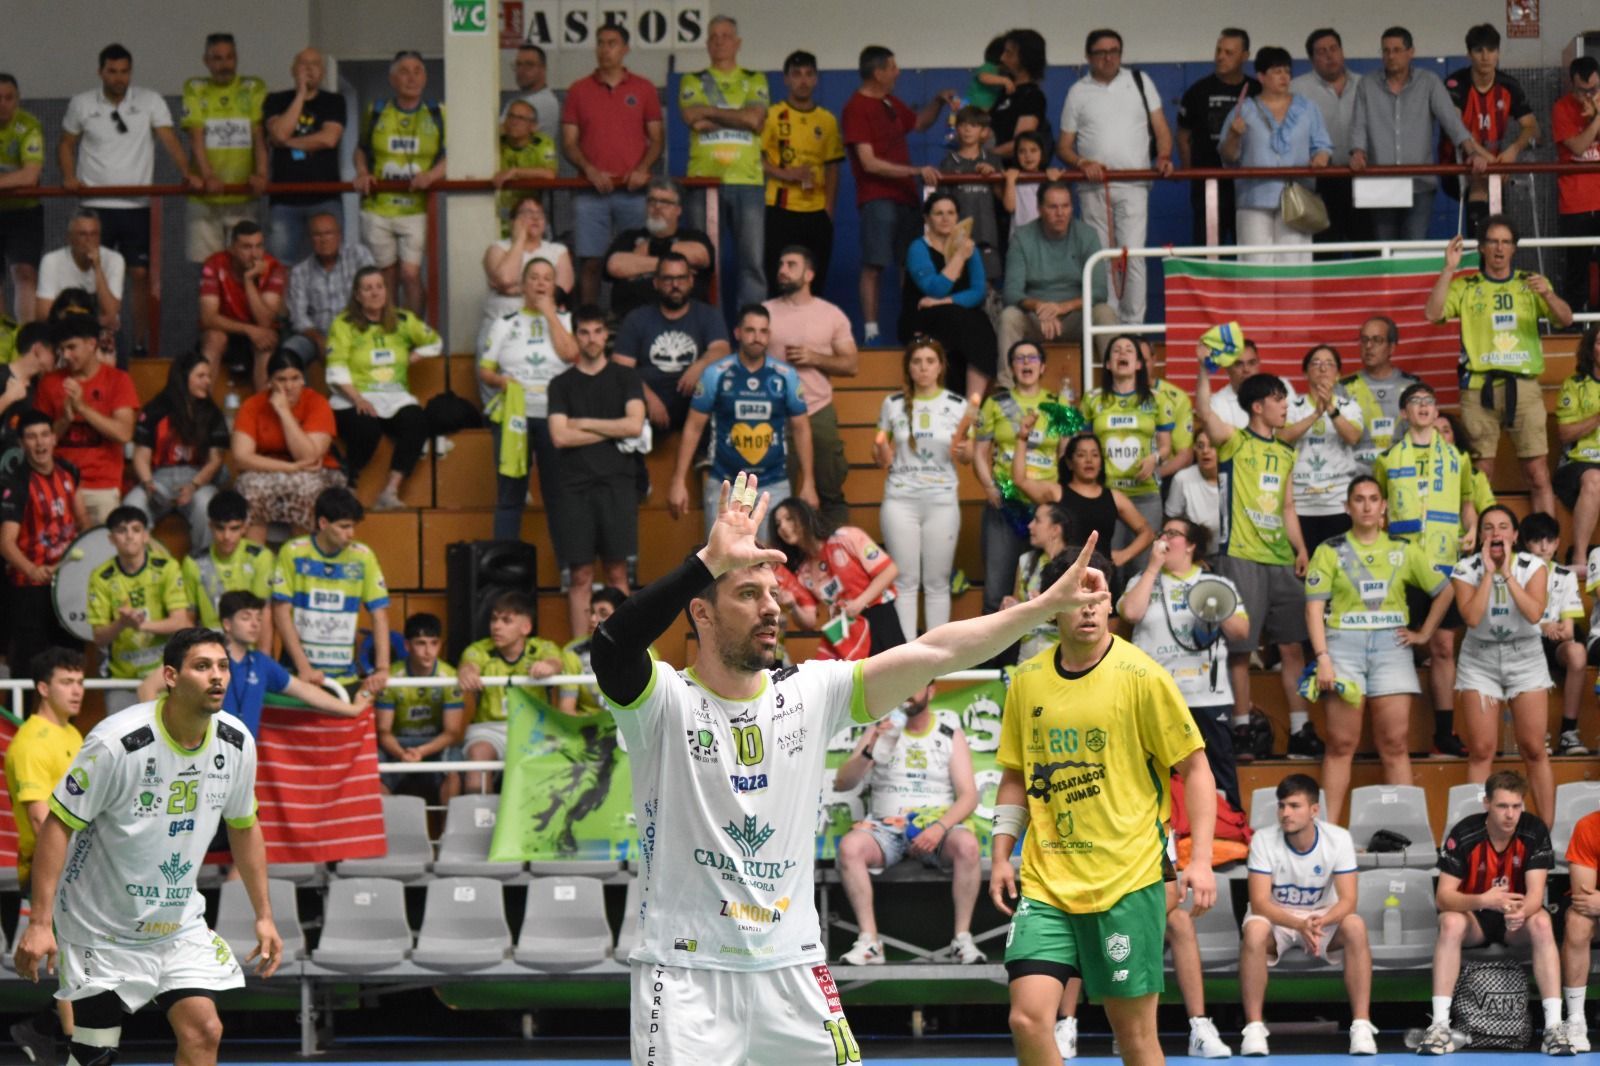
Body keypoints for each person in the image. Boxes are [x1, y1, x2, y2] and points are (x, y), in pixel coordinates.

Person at [587, 473, 1112, 1066]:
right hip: (685, 978)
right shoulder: (662, 703)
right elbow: (611, 645)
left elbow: (938, 651)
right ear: (701, 614)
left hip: (795, 971)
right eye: (746, 595)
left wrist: (1043, 608)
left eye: (772, 593)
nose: (771, 608)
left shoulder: (813, 690)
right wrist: (706, 559)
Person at [990, 543, 1217, 1066]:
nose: (1089, 606)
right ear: (1052, 605)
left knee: (1134, 1037)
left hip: (1127, 879)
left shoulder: (1143, 677)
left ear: (1110, 602)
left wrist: (1199, 858)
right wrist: (1002, 853)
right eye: (1077, 595)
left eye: (1098, 595)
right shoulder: (1026, 683)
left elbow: (1197, 770)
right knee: (1026, 1019)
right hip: (1047, 878)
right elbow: (1015, 776)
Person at [12, 628, 282, 1066]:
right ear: (171, 676)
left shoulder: (236, 742)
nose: (217, 676)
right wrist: (41, 922)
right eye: (202, 666)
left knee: (205, 1030)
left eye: (222, 666)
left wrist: (264, 915)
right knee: (95, 1056)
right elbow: (57, 825)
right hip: (99, 922)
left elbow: (244, 826)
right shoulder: (117, 741)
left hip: (175, 922)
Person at [1304, 477, 1454, 822]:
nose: (1367, 506)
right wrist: (1323, 658)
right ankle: (1326, 834)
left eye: (1374, 499)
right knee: (1340, 745)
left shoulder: (1403, 548)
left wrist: (1423, 634)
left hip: (1392, 646)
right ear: (1347, 507)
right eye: (1359, 499)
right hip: (1342, 647)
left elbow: (1444, 591)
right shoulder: (1329, 550)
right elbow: (1313, 609)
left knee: (1396, 746)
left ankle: (1404, 833)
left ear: (1384, 506)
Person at [1196, 363, 1319, 760]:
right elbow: (1204, 412)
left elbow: (1287, 506)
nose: (1284, 406)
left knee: (1292, 648)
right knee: (1240, 650)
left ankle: (1301, 730)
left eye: (1285, 399)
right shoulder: (1233, 442)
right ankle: (1242, 727)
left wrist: (1300, 548)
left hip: (1282, 558)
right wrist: (1202, 370)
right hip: (1241, 556)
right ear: (1256, 406)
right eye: (1278, 399)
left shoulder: (1285, 451)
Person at [834, 682, 985, 966]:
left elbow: (969, 797)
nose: (908, 690)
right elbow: (843, 783)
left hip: (934, 826)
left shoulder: (948, 733)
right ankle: (870, 941)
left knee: (967, 845)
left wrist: (939, 828)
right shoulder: (880, 727)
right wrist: (870, 748)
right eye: (904, 681)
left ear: (931, 691)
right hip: (885, 827)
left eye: (917, 684)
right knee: (850, 847)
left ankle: (962, 939)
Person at [1427, 220, 1572, 519]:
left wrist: (1547, 294)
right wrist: (1448, 269)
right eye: (1492, 241)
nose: (1499, 248)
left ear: (1514, 248)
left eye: (1506, 242)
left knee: (1538, 473)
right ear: (1481, 247)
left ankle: (1546, 547)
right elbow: (1433, 313)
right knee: (1481, 474)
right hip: (1479, 387)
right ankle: (1480, 545)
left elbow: (1565, 319)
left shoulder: (1531, 283)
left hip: (1524, 385)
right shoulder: (1466, 286)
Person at [60, 44, 197, 355]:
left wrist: (188, 172)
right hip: (95, 208)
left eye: (124, 72)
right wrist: (69, 176)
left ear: (130, 72)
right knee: (93, 274)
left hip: (138, 207)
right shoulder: (81, 103)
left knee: (140, 274)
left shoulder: (150, 101)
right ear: (100, 72)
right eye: (112, 71)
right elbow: (66, 144)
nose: (119, 78)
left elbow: (169, 139)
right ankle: (92, 341)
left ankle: (137, 344)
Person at [1419, 771, 1569, 1055]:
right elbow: (1444, 898)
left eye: (1516, 806)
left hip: (1516, 920)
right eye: (1502, 806)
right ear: (1487, 803)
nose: (1510, 814)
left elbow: (1536, 895)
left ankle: (1553, 1028)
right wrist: (1483, 900)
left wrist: (1521, 912)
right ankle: (1439, 1026)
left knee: (1542, 922)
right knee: (1449, 922)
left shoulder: (1534, 830)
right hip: (1475, 917)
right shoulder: (1465, 832)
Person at [1238, 774, 1376, 1056]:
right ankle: (1253, 1028)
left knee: (1355, 925)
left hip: (1321, 920)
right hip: (1279, 920)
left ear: (1314, 810)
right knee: (1253, 930)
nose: (1285, 813)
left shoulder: (1338, 838)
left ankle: (1361, 1026)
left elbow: (1348, 900)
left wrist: (1319, 922)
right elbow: (1260, 902)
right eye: (1281, 806)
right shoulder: (1264, 840)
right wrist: (1299, 924)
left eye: (1294, 806)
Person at [1374, 382, 1475, 758]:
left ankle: (1443, 732)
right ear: (1404, 413)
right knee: (1400, 643)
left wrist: (1474, 529)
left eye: (1430, 402)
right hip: (1402, 565)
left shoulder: (1455, 458)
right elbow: (1379, 513)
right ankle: (1393, 735)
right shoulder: (1388, 459)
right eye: (1415, 402)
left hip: (1444, 560)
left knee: (1444, 646)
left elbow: (1468, 503)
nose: (1424, 407)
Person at [1121, 519, 1247, 810]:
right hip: (1155, 697)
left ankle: (1229, 839)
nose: (1165, 538)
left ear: (1190, 545)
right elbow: (1130, 612)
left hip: (1206, 696)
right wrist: (1152, 568)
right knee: (1151, 771)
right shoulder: (1141, 580)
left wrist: (1216, 608)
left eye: (1174, 534)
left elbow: (1241, 632)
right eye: (1162, 532)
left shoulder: (1215, 583)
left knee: (1218, 773)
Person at [1057, 28, 1175, 325]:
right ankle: (1107, 326)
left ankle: (1133, 329)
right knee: (1101, 258)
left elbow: (1161, 129)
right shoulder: (1077, 91)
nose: (1109, 57)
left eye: (1115, 51)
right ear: (1088, 56)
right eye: (1101, 52)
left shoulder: (1140, 81)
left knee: (1132, 256)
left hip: (1135, 185)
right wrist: (1083, 162)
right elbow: (1064, 147)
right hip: (1093, 189)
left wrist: (1163, 157)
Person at [843, 45, 956, 344]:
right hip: (877, 198)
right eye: (893, 67)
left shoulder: (890, 102)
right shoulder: (856, 108)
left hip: (906, 199)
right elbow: (868, 162)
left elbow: (918, 123)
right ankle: (871, 332)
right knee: (874, 263)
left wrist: (937, 101)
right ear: (878, 73)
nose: (898, 72)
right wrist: (915, 171)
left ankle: (912, 327)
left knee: (913, 264)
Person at [3, 647, 83, 1065]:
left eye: (80, 681)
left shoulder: (72, 735)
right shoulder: (30, 743)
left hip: (83, 871)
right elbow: (40, 821)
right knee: (72, 964)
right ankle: (71, 1047)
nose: (77, 690)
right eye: (67, 682)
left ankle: (41, 1030)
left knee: (85, 962)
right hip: (50, 872)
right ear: (42, 688)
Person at [670, 304, 812, 538]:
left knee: (769, 566)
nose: (757, 338)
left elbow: (802, 429)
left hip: (773, 484)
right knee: (721, 566)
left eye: (763, 331)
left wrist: (808, 482)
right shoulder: (715, 373)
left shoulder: (786, 375)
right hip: (725, 483)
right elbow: (694, 427)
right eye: (750, 330)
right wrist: (677, 480)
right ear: (737, 333)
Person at [547, 304, 645, 640]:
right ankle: (581, 650)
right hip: (574, 488)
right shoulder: (561, 384)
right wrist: (612, 429)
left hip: (618, 484)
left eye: (597, 331)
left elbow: (634, 426)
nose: (591, 339)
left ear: (607, 335)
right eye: (584, 332)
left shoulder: (626, 377)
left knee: (619, 572)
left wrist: (586, 423)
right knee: (580, 575)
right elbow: (560, 435)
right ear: (576, 336)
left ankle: (626, 647)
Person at [1451, 506, 1554, 823]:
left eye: (1503, 527)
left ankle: (1546, 834)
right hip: (1479, 658)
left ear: (1514, 535)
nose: (1496, 533)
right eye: (1488, 527)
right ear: (1480, 535)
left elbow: (1534, 613)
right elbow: (1471, 617)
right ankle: (1474, 835)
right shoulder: (1464, 568)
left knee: (1534, 748)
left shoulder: (1532, 566)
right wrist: (1487, 573)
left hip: (1525, 655)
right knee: (1482, 750)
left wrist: (1506, 572)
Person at [1349, 26, 1490, 242]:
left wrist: (1471, 151)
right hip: (1381, 183)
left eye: (1397, 50)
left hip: (1420, 183)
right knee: (1384, 247)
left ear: (1410, 52)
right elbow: (1358, 124)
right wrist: (1357, 152)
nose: (1391, 56)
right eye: (1385, 51)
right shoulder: (1367, 85)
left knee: (1414, 247)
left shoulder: (1429, 82)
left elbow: (1452, 122)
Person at [324, 265, 443, 511]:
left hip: (394, 395)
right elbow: (335, 367)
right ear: (357, 295)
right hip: (353, 394)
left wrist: (416, 355)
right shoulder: (344, 324)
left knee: (418, 422)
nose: (375, 293)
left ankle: (390, 492)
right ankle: (350, 484)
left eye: (379, 287)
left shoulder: (402, 320)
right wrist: (357, 398)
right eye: (367, 289)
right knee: (367, 426)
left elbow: (435, 341)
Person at [875, 337, 971, 638]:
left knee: (937, 583)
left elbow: (969, 455)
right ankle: (907, 660)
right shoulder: (892, 404)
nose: (923, 368)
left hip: (941, 499)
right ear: (909, 368)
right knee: (903, 581)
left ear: (940, 366)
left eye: (930, 361)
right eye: (917, 362)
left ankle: (936, 658)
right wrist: (880, 453)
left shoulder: (957, 405)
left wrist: (965, 451)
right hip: (900, 499)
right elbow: (878, 453)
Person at [562, 24, 664, 308]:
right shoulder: (578, 90)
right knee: (590, 262)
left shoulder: (644, 88)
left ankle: (633, 324)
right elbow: (569, 142)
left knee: (637, 259)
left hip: (633, 191)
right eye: (600, 43)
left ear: (625, 49)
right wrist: (590, 169)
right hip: (590, 190)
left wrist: (643, 169)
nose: (605, 49)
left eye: (612, 43)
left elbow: (657, 139)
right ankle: (589, 327)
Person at [479, 257, 578, 542]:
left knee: (558, 494)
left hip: (555, 416)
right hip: (515, 414)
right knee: (510, 492)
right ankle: (504, 570)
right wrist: (502, 381)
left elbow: (572, 355)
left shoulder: (567, 321)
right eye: (534, 277)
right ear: (523, 285)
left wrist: (550, 315)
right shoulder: (504, 323)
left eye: (547, 278)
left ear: (554, 286)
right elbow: (485, 370)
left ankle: (567, 572)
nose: (540, 283)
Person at [678, 15, 768, 308]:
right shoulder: (692, 80)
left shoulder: (755, 79)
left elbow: (755, 119)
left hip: (748, 182)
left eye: (726, 35)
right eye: (713, 36)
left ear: (738, 43)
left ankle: (751, 329)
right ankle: (705, 330)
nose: (719, 41)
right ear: (706, 44)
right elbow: (693, 118)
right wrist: (738, 117)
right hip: (704, 182)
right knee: (700, 261)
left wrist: (710, 112)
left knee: (751, 263)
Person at [185, 589, 369, 731]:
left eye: (258, 618)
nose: (255, 624)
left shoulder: (261, 663)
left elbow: (306, 691)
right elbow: (157, 682)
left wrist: (352, 709)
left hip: (244, 760)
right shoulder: (207, 657)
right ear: (227, 624)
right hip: (205, 756)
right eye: (246, 617)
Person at [763, 246, 855, 529]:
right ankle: (783, 569)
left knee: (829, 491)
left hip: (817, 410)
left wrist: (815, 357)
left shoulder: (831, 314)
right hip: (774, 414)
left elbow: (851, 365)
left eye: (791, 264)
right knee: (777, 497)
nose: (782, 270)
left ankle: (834, 561)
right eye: (780, 264)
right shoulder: (764, 313)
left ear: (809, 274)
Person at [1218, 46, 1332, 263]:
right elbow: (1228, 157)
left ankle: (1295, 299)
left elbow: (1322, 144)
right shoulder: (1244, 110)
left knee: (1294, 264)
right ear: (1261, 76)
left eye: (1287, 71)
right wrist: (1233, 134)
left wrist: (1321, 156)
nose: (1284, 77)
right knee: (1255, 263)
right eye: (1277, 71)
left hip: (1298, 198)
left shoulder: (1308, 108)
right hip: (1253, 198)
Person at [457, 590, 577, 796]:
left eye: (506, 621)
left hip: (534, 728)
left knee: (558, 758)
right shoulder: (480, 649)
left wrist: (548, 666)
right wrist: (467, 672)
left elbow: (555, 661)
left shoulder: (542, 647)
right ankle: (478, 822)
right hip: (489, 729)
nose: (497, 626)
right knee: (478, 755)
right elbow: (469, 664)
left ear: (526, 627)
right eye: (494, 619)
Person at [271, 486, 390, 691]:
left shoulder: (363, 556)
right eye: (344, 527)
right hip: (299, 674)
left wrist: (382, 668)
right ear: (323, 523)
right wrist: (304, 667)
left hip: (344, 676)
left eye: (353, 526)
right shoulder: (293, 552)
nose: (351, 533)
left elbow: (379, 614)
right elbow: (280, 612)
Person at [352, 51, 445, 314]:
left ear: (425, 77)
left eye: (417, 71)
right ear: (392, 79)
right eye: (404, 71)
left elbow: (452, 157)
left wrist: (431, 176)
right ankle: (391, 332)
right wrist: (361, 172)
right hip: (377, 208)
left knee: (410, 274)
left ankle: (413, 332)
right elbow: (360, 150)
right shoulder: (377, 110)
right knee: (386, 277)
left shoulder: (438, 113)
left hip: (414, 210)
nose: (411, 77)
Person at [998, 181, 1117, 384]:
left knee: (1104, 312)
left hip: (1075, 316)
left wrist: (1061, 308)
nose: (1060, 213)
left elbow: (1099, 291)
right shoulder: (1022, 237)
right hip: (1037, 318)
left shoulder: (1087, 235)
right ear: (1039, 209)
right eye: (1053, 207)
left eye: (1066, 206)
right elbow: (1011, 292)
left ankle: (1116, 387)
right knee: (1009, 316)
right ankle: (1007, 391)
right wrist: (1040, 307)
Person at [974, 341, 1059, 618]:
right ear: (1011, 367)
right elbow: (979, 453)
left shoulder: (1056, 405)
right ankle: (997, 660)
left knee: (1046, 587)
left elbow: (1066, 452)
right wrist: (989, 485)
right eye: (1019, 358)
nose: (1026, 363)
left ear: (1043, 366)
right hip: (1005, 506)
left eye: (1032, 358)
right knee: (997, 592)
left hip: (1044, 508)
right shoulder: (995, 403)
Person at [0, 411, 85, 672]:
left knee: (70, 660)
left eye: (45, 435)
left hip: (67, 584)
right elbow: (5, 542)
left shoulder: (69, 472)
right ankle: (26, 713)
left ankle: (67, 715)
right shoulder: (16, 483)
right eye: (31, 437)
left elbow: (83, 522)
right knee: (30, 664)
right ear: (22, 444)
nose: (40, 443)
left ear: (54, 438)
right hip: (29, 588)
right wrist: (32, 570)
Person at [88, 505, 191, 718]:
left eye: (136, 529)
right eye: (121, 530)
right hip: (121, 679)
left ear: (146, 536)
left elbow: (181, 622)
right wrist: (121, 624)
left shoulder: (167, 567)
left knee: (167, 741)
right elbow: (99, 637)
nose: (129, 536)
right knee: (123, 745)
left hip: (163, 674)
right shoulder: (101, 577)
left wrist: (141, 624)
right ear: (111, 539)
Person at [34, 314, 137, 527]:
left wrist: (82, 407)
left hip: (102, 486)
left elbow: (124, 433)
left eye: (72, 347)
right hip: (58, 483)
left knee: (101, 552)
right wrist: (64, 419)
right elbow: (39, 442)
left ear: (92, 344)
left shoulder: (118, 380)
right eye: (62, 350)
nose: (66, 355)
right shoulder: (49, 382)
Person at [231, 347, 344, 539]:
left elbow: (308, 457)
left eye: (295, 378)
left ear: (303, 380)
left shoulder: (317, 403)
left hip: (316, 472)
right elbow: (241, 458)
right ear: (269, 383)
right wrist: (289, 467)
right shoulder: (252, 405)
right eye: (281, 379)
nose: (289, 386)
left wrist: (284, 412)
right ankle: (256, 561)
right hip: (269, 470)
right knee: (249, 487)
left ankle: (300, 559)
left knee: (307, 488)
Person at [613, 252, 730, 435]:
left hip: (693, 399)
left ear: (691, 281)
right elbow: (621, 369)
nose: (675, 285)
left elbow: (722, 350)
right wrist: (649, 398)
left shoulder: (708, 315)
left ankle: (704, 460)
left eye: (681, 278)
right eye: (668, 279)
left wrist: (700, 365)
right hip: (648, 400)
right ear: (656, 283)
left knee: (717, 387)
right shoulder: (637, 318)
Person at [773, 497, 904, 660]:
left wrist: (860, 603)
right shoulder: (803, 571)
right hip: (846, 629)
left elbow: (889, 571)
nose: (783, 527)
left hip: (879, 616)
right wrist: (793, 606)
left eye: (789, 518)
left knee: (898, 678)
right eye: (778, 524)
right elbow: (809, 622)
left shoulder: (846, 537)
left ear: (805, 516)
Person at [123, 350, 228, 550]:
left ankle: (201, 565)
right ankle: (142, 568)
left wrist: (194, 486)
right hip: (158, 479)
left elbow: (216, 460)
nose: (207, 381)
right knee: (132, 507)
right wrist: (148, 484)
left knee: (206, 506)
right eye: (200, 376)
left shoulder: (213, 414)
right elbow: (141, 455)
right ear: (183, 377)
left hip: (198, 480)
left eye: (209, 376)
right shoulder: (155, 409)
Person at [1014, 432, 1155, 575]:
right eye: (1081, 455)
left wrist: (1124, 555)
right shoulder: (1056, 493)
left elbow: (1147, 532)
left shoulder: (1115, 498)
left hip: (1102, 578)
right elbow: (1020, 481)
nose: (1089, 460)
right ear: (1069, 463)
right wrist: (1022, 438)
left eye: (1095, 455)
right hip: (1064, 576)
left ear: (1101, 462)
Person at [761, 51, 843, 298]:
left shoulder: (827, 120)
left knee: (814, 281)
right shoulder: (773, 115)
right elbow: (757, 160)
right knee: (779, 279)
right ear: (786, 79)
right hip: (780, 209)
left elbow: (833, 167)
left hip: (816, 213)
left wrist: (828, 209)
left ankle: (811, 337)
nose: (803, 81)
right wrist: (786, 174)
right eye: (797, 74)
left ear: (816, 79)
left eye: (809, 74)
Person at [181, 33, 268, 264]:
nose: (224, 64)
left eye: (229, 58)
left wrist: (261, 173)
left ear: (236, 58)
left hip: (243, 196)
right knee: (208, 269)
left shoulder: (253, 87)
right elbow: (195, 136)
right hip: (205, 199)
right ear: (206, 61)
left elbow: (259, 135)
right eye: (217, 58)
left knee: (247, 266)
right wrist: (208, 175)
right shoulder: (195, 88)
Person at [1078, 333, 1172, 546]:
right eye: (1116, 350)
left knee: (1144, 563)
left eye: (1129, 350)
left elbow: (1166, 446)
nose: (1122, 353)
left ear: (1139, 364)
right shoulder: (1092, 399)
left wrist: (1155, 458)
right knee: (1108, 562)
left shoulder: (1158, 399)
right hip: (1106, 493)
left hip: (1146, 493)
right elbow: (1083, 446)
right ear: (1109, 364)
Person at [1446, 25, 1537, 240]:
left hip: (1497, 164)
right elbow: (1454, 126)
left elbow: (1532, 126)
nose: (1485, 57)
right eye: (1478, 51)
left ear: (1498, 53)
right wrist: (1486, 157)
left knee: (1492, 188)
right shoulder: (1456, 84)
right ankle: (1480, 255)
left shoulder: (1509, 85)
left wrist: (1513, 150)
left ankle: (1496, 250)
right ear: (1469, 54)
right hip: (1459, 163)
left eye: (1491, 50)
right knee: (1479, 175)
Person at [902, 192, 997, 398]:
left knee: (982, 324)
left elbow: (978, 292)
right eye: (939, 213)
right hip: (921, 315)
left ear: (957, 217)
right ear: (927, 219)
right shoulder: (918, 248)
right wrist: (959, 257)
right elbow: (935, 289)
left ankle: (972, 406)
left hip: (958, 312)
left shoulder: (968, 247)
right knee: (959, 319)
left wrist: (944, 302)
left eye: (951, 213)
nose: (945, 218)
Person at [262, 47, 346, 264]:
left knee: (329, 263)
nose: (309, 69)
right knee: (279, 266)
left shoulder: (334, 101)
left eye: (315, 64)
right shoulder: (275, 100)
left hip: (325, 198)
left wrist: (285, 143)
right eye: (303, 63)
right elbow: (279, 131)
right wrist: (300, 94)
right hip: (284, 200)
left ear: (324, 72)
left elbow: (329, 139)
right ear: (292, 70)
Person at [1179, 28, 1260, 248]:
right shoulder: (1198, 91)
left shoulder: (1257, 90)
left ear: (1245, 56)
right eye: (1218, 50)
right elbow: (1184, 136)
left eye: (1229, 52)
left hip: (1248, 187)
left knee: (1251, 251)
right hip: (1209, 187)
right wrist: (1190, 173)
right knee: (1208, 252)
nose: (1220, 57)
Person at [1518, 512, 1588, 758]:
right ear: (1526, 543)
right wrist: (1543, 626)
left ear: (1557, 543)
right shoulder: (1515, 572)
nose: (1543, 546)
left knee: (1578, 652)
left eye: (1548, 540)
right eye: (1537, 540)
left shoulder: (1565, 575)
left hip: (1555, 642)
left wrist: (1556, 629)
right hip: (1523, 641)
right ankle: (1535, 734)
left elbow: (1568, 629)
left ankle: (1568, 733)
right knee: (1529, 649)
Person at [376, 610, 464, 804]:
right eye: (421, 643)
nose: (428, 651)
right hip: (398, 745)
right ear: (407, 646)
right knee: (374, 766)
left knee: (454, 763)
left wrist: (422, 751)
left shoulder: (449, 676)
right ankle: (385, 833)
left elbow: (452, 732)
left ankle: (447, 833)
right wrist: (402, 754)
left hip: (434, 744)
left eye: (434, 643)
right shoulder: (391, 677)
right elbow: (383, 731)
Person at [1281, 345, 1362, 550]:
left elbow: (1353, 437)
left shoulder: (1349, 407)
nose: (1323, 369)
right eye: (1316, 364)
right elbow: (1282, 438)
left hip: (1339, 503)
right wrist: (1315, 414)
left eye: (1329, 364)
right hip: (1301, 504)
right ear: (1305, 372)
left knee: (1339, 569)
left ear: (1338, 374)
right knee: (1304, 571)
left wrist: (1331, 409)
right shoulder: (1292, 407)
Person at [1292, 29, 1363, 253]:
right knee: (1325, 251)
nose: (1329, 56)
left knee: (1366, 248)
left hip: (1361, 177)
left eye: (1334, 49)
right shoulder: (1297, 89)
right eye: (1321, 52)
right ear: (1312, 59)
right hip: (1319, 182)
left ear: (1342, 52)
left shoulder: (1365, 85)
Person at [604, 178, 714, 320]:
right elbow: (615, 265)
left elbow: (700, 256)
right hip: (632, 319)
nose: (657, 207)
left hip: (687, 321)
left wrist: (648, 251)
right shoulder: (629, 237)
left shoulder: (693, 236)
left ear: (678, 210)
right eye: (652, 201)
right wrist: (675, 267)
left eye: (665, 202)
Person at [198, 219, 286, 389]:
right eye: (246, 247)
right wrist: (249, 329)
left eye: (259, 246)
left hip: (260, 335)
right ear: (232, 249)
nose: (254, 254)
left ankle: (264, 411)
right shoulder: (214, 264)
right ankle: (202, 409)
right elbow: (208, 318)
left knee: (266, 341)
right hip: (228, 331)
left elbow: (265, 322)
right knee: (214, 338)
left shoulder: (274, 267)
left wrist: (249, 281)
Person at [480, 196, 574, 354]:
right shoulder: (498, 248)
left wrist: (514, 289)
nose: (536, 217)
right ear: (513, 221)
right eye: (527, 212)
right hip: (501, 323)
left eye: (540, 213)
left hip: (544, 323)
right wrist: (519, 240)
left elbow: (560, 290)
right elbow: (505, 278)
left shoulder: (558, 250)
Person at [181, 490, 274, 647]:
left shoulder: (260, 557)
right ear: (210, 526)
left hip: (248, 652)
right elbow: (188, 618)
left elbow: (264, 613)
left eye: (234, 528)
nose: (226, 536)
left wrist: (262, 665)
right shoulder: (193, 562)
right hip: (210, 651)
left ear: (244, 527)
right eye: (220, 528)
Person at [283, 211, 375, 366]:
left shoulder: (358, 255)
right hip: (316, 334)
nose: (324, 240)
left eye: (328, 233)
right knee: (289, 353)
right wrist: (318, 339)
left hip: (357, 330)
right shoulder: (300, 271)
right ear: (310, 239)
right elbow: (298, 317)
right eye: (317, 235)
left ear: (339, 235)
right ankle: (301, 391)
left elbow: (374, 296)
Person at [1553, 57, 1600, 317]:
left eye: (1595, 89)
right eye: (1584, 90)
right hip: (1575, 202)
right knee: (1577, 270)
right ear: (1573, 85)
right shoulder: (1561, 108)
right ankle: (1574, 327)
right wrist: (1597, 120)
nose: (1590, 95)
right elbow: (1579, 147)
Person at [1343, 316, 1419, 474]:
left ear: (1392, 347)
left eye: (1377, 340)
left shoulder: (1412, 386)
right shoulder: (1344, 387)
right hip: (1355, 476)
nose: (1369, 346)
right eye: (1364, 340)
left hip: (1401, 472)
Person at [938, 107, 1003, 283]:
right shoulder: (949, 162)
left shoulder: (993, 160)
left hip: (987, 235)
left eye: (973, 125)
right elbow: (943, 205)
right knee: (960, 282)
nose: (967, 130)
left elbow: (1004, 200)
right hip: (957, 238)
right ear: (956, 129)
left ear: (984, 132)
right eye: (963, 125)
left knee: (987, 286)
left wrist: (993, 177)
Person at [1004, 504, 1074, 665]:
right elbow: (1019, 604)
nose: (1030, 525)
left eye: (1037, 521)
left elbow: (1080, 609)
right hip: (1027, 650)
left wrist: (1045, 604)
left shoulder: (1074, 564)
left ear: (1055, 530)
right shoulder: (1026, 561)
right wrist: (1013, 606)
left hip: (1062, 651)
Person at [0, 75, 45, 324]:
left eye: (9, 98)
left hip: (24, 213)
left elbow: (30, 175)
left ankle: (26, 338)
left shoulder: (29, 125)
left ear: (17, 100)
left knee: (25, 273)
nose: (3, 104)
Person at [35, 209, 123, 332]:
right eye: (82, 234)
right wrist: (85, 322)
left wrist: (97, 268)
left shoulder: (114, 260)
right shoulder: (51, 261)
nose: (89, 240)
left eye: (94, 234)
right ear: (69, 238)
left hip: (99, 333)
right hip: (62, 332)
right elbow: (43, 315)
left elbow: (111, 314)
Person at [1558, 326, 1600, 585]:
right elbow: (1565, 434)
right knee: (1595, 479)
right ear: (1591, 349)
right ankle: (1581, 558)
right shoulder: (1574, 385)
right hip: (1578, 463)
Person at [1561, 808, 1600, 1052]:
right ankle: (1576, 1019)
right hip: (1594, 911)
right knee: (1577, 921)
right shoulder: (1589, 826)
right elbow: (1583, 896)